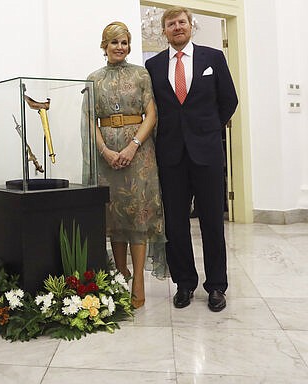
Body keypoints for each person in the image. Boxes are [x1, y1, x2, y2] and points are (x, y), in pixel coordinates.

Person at [145, 6, 238, 312]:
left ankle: (216, 287)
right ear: (164, 31)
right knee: (176, 223)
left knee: (212, 221)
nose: (177, 27)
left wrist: (208, 129)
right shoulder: (154, 65)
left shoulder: (214, 58)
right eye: (170, 24)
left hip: (207, 153)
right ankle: (184, 283)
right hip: (171, 155)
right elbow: (154, 108)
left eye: (181, 22)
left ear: (190, 25)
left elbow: (229, 100)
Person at [87, 22, 168, 309]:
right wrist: (106, 151)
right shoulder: (93, 79)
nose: (120, 47)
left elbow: (151, 114)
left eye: (124, 42)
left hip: (139, 154)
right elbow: (89, 121)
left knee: (138, 214)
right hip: (107, 156)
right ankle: (121, 273)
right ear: (104, 46)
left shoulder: (141, 74)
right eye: (114, 42)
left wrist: (133, 145)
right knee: (114, 214)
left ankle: (138, 282)